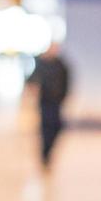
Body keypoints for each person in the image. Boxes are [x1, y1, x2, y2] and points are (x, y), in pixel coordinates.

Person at [30, 42, 70, 172]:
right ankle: (44, 155)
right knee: (45, 128)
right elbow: (31, 81)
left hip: (57, 102)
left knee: (57, 127)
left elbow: (67, 81)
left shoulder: (61, 65)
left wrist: (64, 96)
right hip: (44, 101)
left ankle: (48, 152)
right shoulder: (41, 64)